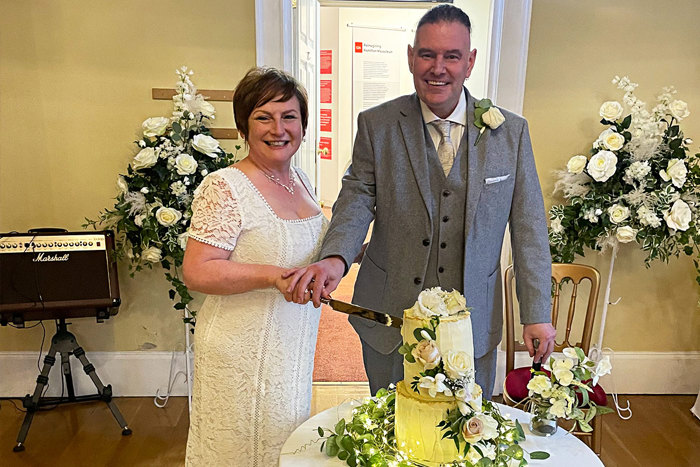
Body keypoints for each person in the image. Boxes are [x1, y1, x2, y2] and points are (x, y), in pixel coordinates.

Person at [287, 4, 556, 398]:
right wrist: (336, 257)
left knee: (466, 437)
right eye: (427, 54)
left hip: (473, 322)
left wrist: (536, 314)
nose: (438, 67)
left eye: (452, 56)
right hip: (389, 314)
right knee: (389, 429)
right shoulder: (377, 125)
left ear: (470, 61)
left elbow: (530, 228)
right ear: (412, 56)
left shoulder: (510, 133)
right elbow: (357, 196)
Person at [182, 67, 328, 466]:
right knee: (238, 452)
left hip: (291, 348)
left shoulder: (300, 179)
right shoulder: (225, 186)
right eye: (264, 116)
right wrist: (272, 276)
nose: (278, 128)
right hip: (239, 353)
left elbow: (310, 253)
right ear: (244, 126)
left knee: (283, 444)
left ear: (303, 123)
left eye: (289, 116)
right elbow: (197, 270)